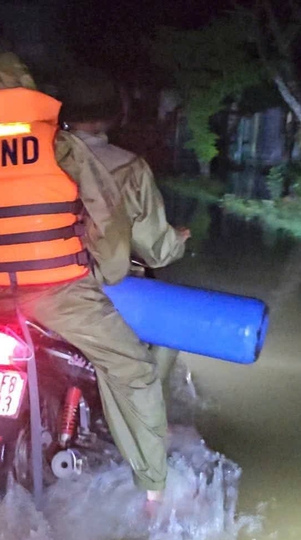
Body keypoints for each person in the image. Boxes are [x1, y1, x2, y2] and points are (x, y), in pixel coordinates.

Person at [0, 52, 168, 504]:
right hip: (58, 292)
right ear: (28, 92)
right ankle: (154, 488)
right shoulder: (58, 145)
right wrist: (111, 270)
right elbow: (106, 216)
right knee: (131, 368)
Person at [58, 69, 191, 389]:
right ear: (111, 116)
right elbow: (156, 250)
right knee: (170, 332)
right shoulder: (129, 167)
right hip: (101, 288)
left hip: (29, 278)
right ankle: (145, 414)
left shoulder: (36, 156)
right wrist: (177, 241)